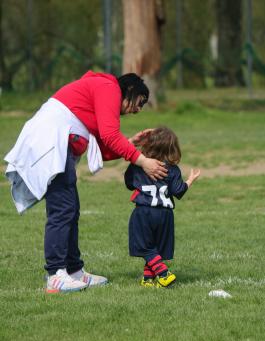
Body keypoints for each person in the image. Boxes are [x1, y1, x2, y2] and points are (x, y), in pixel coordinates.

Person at [4, 71, 167, 293]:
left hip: (56, 144)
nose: (138, 110)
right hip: (50, 142)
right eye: (140, 102)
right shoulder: (108, 88)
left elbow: (100, 146)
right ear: (129, 90)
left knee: (70, 209)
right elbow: (109, 136)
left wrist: (129, 143)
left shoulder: (101, 91)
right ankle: (55, 274)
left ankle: (73, 270)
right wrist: (142, 161)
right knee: (62, 210)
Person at [124, 126, 200, 288]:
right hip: (165, 215)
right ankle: (148, 279)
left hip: (143, 213)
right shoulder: (173, 170)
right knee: (156, 246)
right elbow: (178, 191)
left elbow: (129, 184)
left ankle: (163, 274)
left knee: (144, 246)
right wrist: (190, 181)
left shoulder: (138, 165)